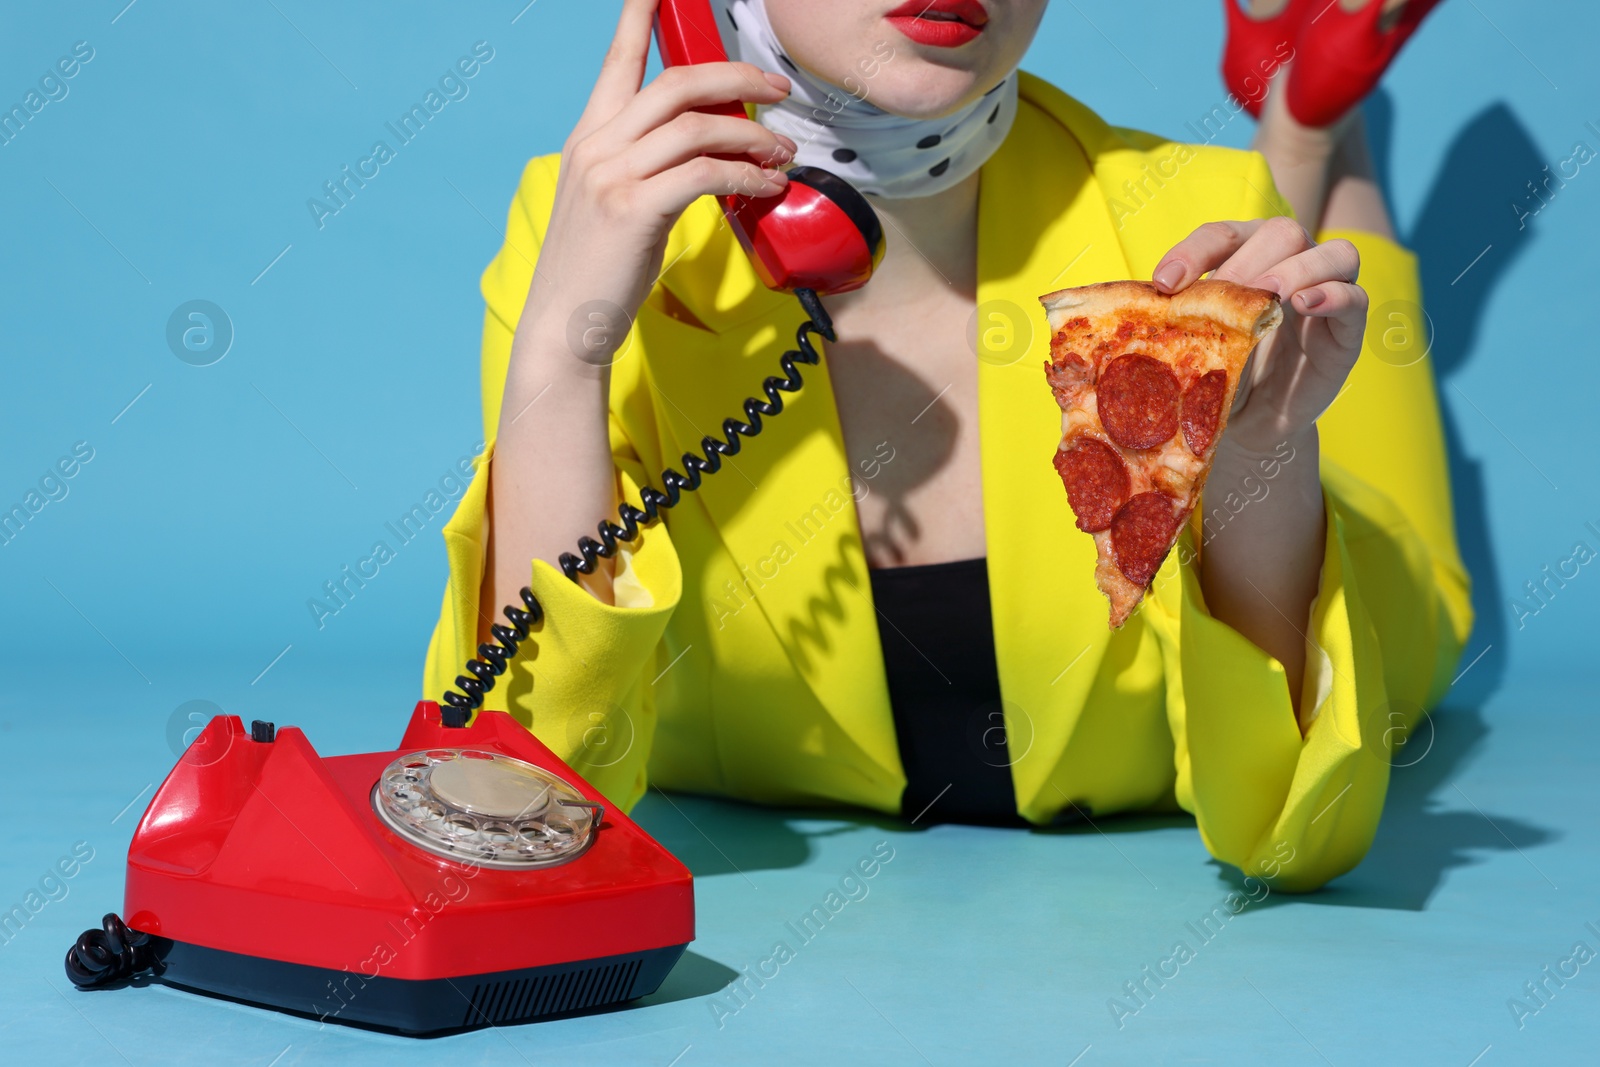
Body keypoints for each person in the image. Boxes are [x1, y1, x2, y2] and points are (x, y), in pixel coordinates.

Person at [422, 0, 1470, 892]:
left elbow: (1296, 827)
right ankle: (1305, 111)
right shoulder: (588, 230)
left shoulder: (1194, 219)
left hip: (1366, 600)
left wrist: (1258, 461)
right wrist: (564, 352)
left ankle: (1306, 130)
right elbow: (515, 810)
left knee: (1416, 586)